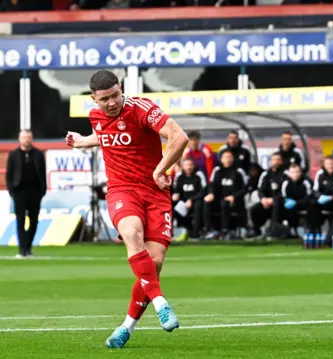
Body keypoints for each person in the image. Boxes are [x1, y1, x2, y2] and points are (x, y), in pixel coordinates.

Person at [65, 69, 187, 348]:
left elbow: (178, 137)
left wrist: (160, 169)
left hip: (156, 193)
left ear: (122, 89)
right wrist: (84, 140)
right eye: (105, 99)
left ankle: (126, 327)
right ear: (94, 99)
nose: (112, 102)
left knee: (154, 263)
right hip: (122, 190)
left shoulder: (142, 108)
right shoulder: (96, 117)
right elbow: (106, 136)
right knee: (132, 233)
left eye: (116, 95)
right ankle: (160, 303)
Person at [5, 129, 46, 258]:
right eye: (24, 137)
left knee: (34, 221)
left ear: (32, 138)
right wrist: (12, 190)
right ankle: (22, 249)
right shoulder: (13, 154)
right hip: (19, 192)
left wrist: (42, 190)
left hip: (35, 192)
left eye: (29, 137)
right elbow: (9, 174)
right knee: (20, 220)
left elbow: (43, 173)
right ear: (19, 139)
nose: (26, 140)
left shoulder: (38, 154)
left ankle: (28, 247)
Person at [203, 150, 248, 240]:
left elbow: (245, 188)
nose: (228, 160)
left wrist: (234, 196)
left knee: (224, 203)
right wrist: (211, 193)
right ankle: (208, 230)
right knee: (206, 202)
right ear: (221, 159)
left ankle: (225, 231)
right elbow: (211, 184)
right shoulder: (217, 170)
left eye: (230, 157)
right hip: (218, 199)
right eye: (225, 157)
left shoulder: (239, 171)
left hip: (234, 201)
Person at [309, 155, 333, 243]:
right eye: (328, 164)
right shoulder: (320, 173)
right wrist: (320, 196)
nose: (330, 166)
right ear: (324, 165)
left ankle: (331, 236)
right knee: (311, 205)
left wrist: (332, 197)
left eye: (332, 164)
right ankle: (315, 232)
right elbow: (315, 190)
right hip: (323, 201)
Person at [249, 153, 287, 238]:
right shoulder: (265, 174)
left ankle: (274, 231)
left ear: (281, 161)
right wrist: (263, 199)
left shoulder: (286, 173)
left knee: (276, 204)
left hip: (281, 202)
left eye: (278, 160)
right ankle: (256, 231)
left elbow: (285, 191)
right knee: (254, 209)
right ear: (270, 161)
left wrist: (273, 199)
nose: (276, 162)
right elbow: (260, 190)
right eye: (274, 160)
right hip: (266, 202)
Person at [172, 158, 207, 242]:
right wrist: (175, 195)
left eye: (191, 165)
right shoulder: (179, 176)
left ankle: (196, 234)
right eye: (187, 165)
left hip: (196, 200)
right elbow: (176, 189)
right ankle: (174, 232)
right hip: (183, 201)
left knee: (198, 205)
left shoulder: (199, 175)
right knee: (171, 206)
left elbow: (203, 190)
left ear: (194, 166)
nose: (189, 167)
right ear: (183, 166)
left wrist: (191, 200)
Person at [280, 163, 314, 235]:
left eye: (298, 171)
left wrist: (297, 202)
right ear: (289, 173)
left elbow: (309, 196)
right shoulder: (285, 182)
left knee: (312, 206)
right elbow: (283, 196)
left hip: (304, 204)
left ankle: (312, 229)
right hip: (291, 205)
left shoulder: (306, 181)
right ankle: (289, 230)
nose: (296, 174)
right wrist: (287, 201)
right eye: (293, 172)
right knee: (282, 207)